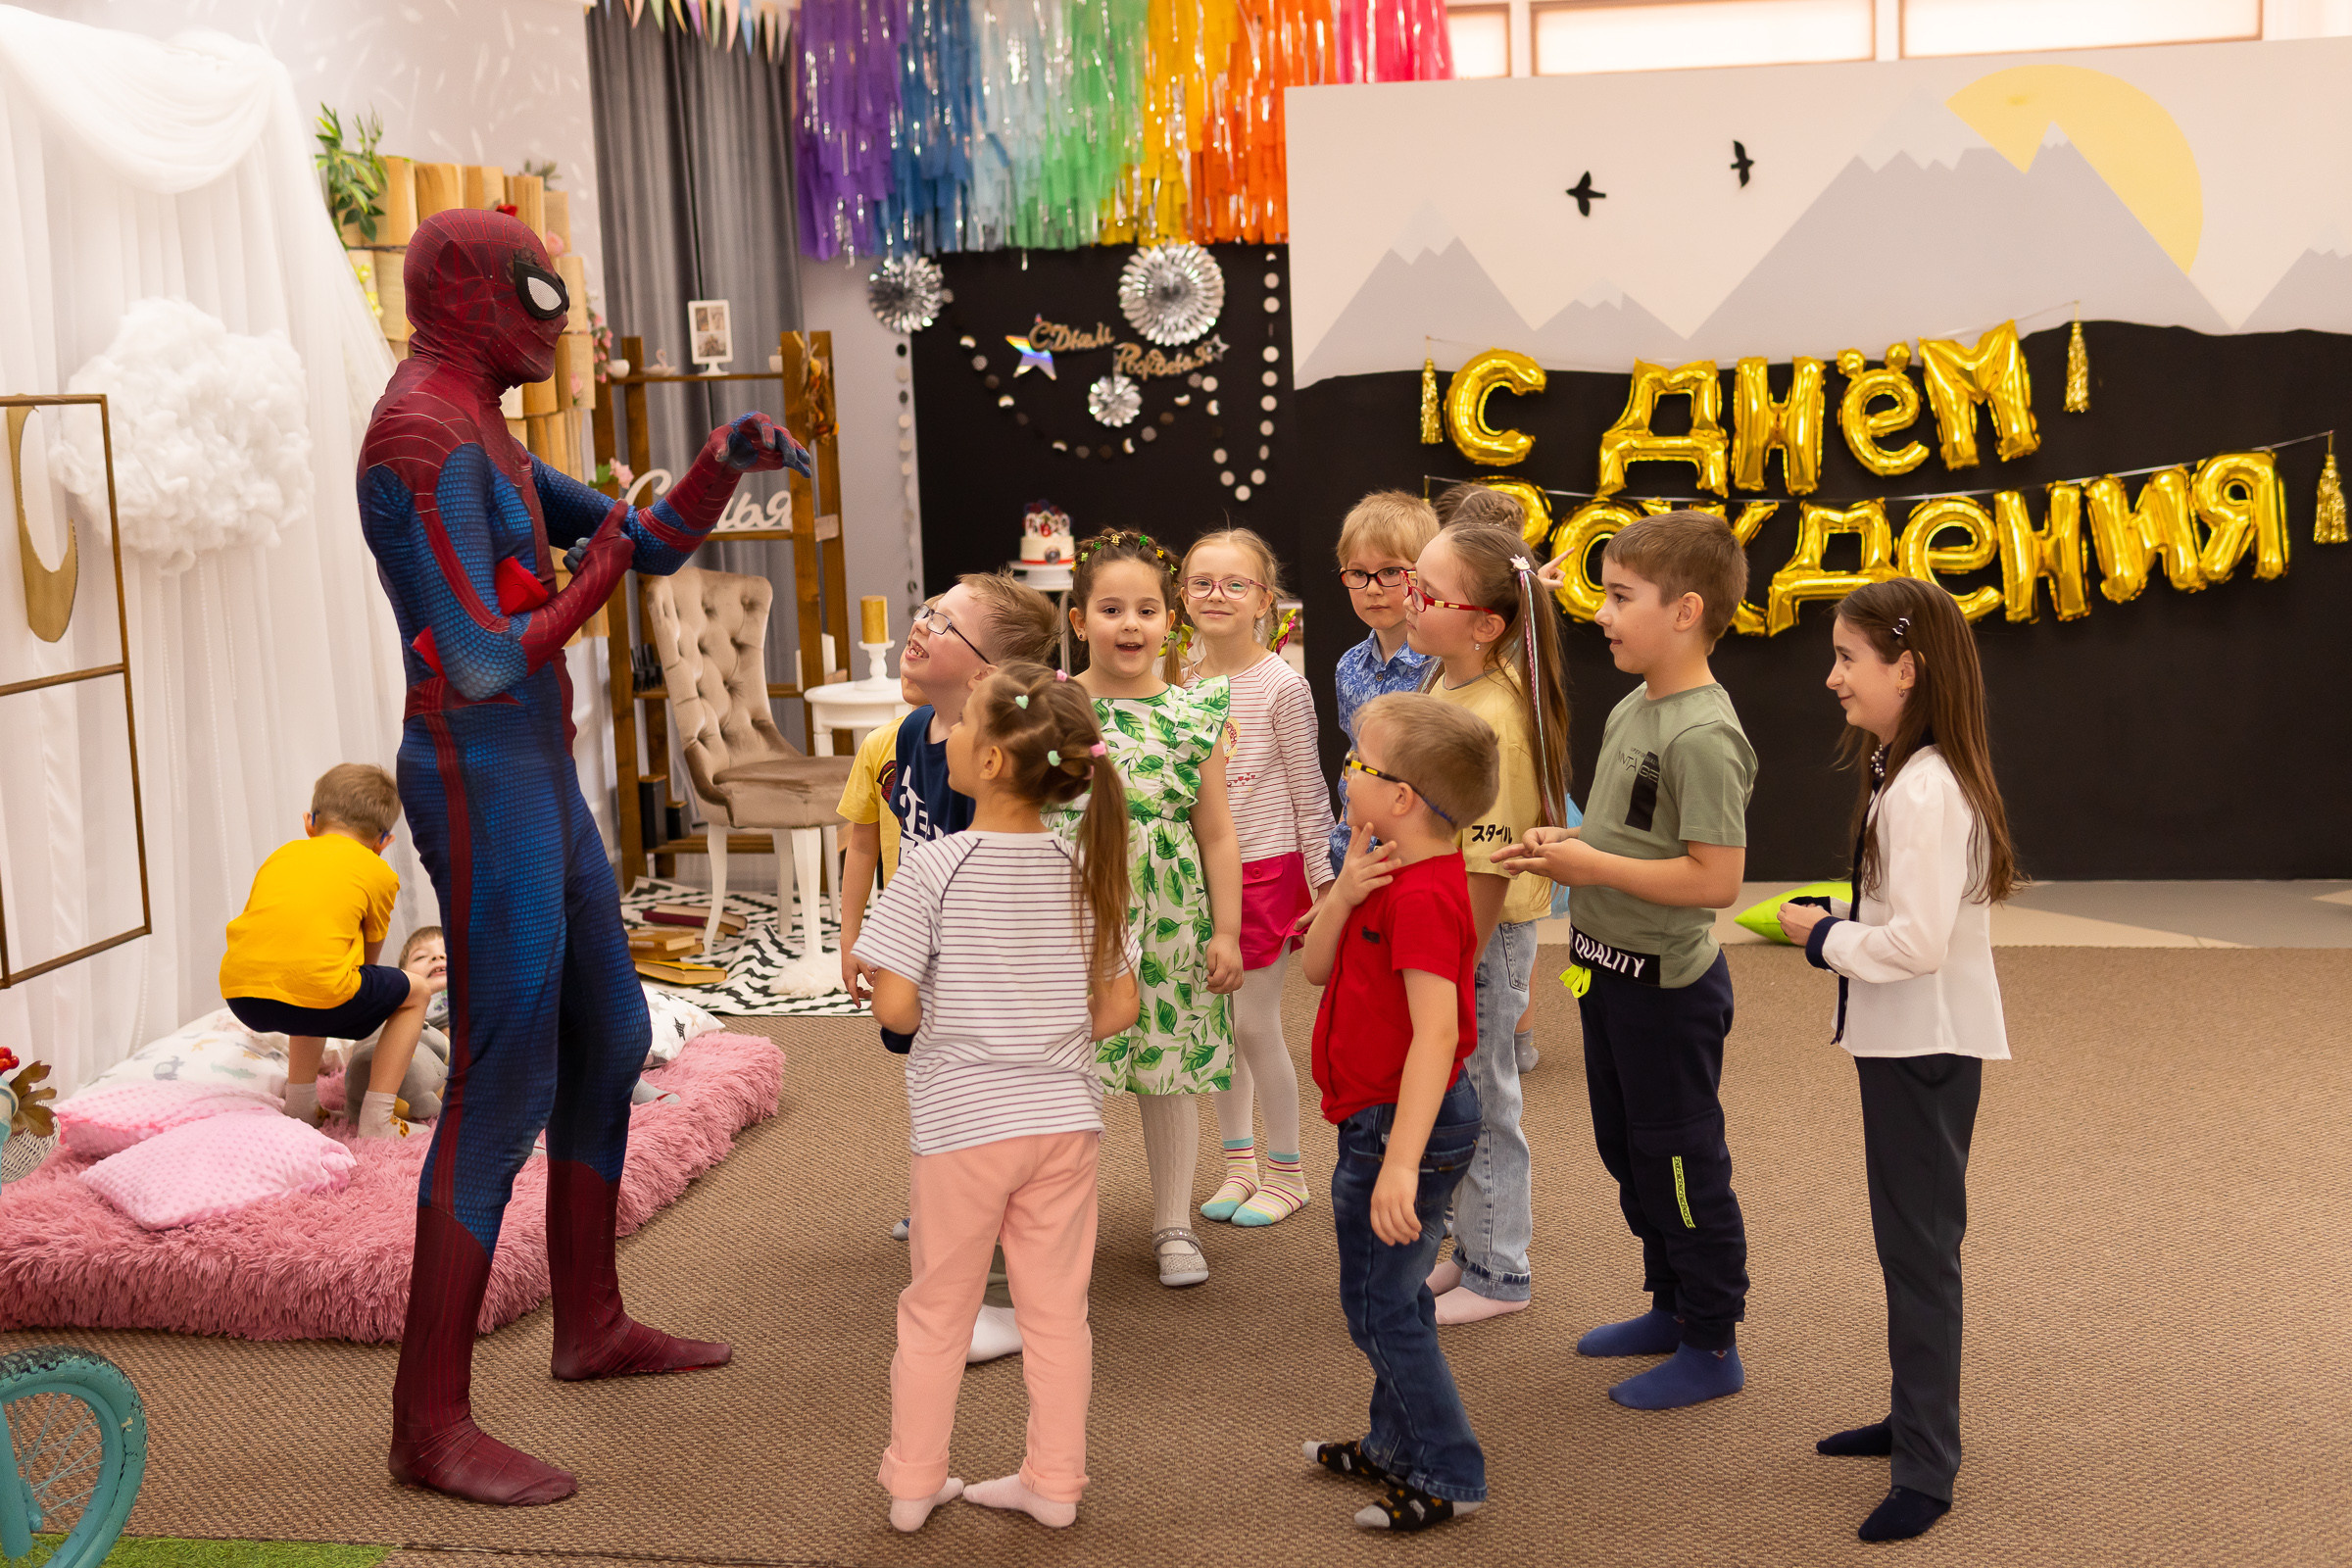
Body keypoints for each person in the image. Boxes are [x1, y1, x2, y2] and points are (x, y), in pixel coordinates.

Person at [360, 207, 808, 1505]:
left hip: (533, 771)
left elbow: (652, 538)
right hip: (479, 771)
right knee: (503, 1085)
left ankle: (590, 1323)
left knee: (608, 1042)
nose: (562, 316)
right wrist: (606, 556)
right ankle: (426, 1420)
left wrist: (720, 462)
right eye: (540, 288)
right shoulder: (420, 433)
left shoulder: (483, 419)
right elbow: (490, 651)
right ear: (467, 291)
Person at [856, 662, 1140, 1534]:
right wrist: (1043, 1040)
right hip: (1064, 1123)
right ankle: (1054, 1485)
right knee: (1057, 1314)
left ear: (983, 764)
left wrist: (927, 1008)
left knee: (937, 1309)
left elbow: (897, 1005)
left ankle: (914, 1485)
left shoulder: (934, 868)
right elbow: (1120, 1005)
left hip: (961, 1126)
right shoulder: (1083, 866)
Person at [1494, 510, 1755, 1411]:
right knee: (1628, 1152)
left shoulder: (1702, 734)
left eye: (1618, 596)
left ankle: (1713, 1342)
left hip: (1666, 992)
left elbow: (1716, 879)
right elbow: (1627, 836)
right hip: (1603, 971)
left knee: (1681, 1161)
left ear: (1685, 611)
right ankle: (1671, 1305)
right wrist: (1567, 840)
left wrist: (1588, 864)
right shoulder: (1632, 705)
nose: (1598, 612)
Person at [1774, 578, 2016, 1544]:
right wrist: (1841, 927)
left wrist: (1822, 938)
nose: (1833, 678)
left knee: (1919, 1255)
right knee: (1907, 1245)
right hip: (1906, 1040)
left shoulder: (1922, 788)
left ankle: (1926, 1464)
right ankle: (1913, 1414)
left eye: (1847, 658)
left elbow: (1915, 943)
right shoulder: (1905, 768)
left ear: (1905, 669)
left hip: (1926, 1046)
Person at [1300, 692, 1498, 1533]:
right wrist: (1343, 894)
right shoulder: (1383, 870)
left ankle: (1447, 1470)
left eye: (1358, 761)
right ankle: (1394, 1442)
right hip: (1375, 1121)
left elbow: (1437, 1036)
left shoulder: (1422, 898)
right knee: (1396, 1295)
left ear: (1403, 797)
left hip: (1402, 1128)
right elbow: (1312, 968)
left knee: (1380, 1309)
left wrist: (1402, 1163)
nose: (1345, 770)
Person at [876, 573, 1059, 1361]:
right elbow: (910, 851)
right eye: (926, 610)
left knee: (992, 1129)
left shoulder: (997, 767)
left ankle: (1006, 1299)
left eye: (944, 624)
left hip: (984, 979)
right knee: (943, 1112)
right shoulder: (917, 733)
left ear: (985, 673)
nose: (920, 628)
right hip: (929, 962)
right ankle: (957, 1231)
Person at [1057, 529, 1244, 1287]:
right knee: (1067, 1070)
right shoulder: (1056, 711)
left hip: (1172, 916)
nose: (1129, 625)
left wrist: (1227, 930)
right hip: (1075, 911)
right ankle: (1059, 1223)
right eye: (1109, 609)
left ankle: (1173, 1224)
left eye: (1146, 610)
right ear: (1078, 622)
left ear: (1172, 621)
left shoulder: (1194, 713)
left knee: (1169, 1070)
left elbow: (1219, 833)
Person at [1403, 522, 1569, 1326]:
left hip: (1479, 936)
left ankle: (1501, 1271)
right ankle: (1470, 1250)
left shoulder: (1494, 716)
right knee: (1453, 1098)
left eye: (1428, 595)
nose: (1410, 602)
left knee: (1484, 1100)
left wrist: (1449, 957)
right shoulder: (1450, 681)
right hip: (1449, 928)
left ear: (1486, 624)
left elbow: (1491, 863)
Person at [1179, 528, 1334, 1230]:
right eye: (1201, 582)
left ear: (1264, 601)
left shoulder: (1281, 685)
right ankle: (1238, 1163)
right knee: (1215, 1027)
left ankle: (1288, 1169)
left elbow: (1309, 792)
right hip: (1200, 872)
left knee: (1253, 1024)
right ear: (1181, 596)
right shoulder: (1182, 677)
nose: (1216, 595)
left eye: (1234, 584)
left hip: (1267, 871)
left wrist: (1325, 886)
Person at [220, 764, 433, 1142]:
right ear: (384, 841)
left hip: (242, 996)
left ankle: (300, 1105)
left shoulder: (279, 857)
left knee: (310, 978)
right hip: (314, 995)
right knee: (415, 991)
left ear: (310, 822)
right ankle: (378, 1119)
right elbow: (368, 961)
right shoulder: (378, 872)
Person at [1326, 491, 1439, 879]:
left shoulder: (1441, 665)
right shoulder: (1348, 666)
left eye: (1391, 572)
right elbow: (1353, 757)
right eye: (1358, 573)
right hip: (1352, 855)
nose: (1372, 588)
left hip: (1414, 861)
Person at [837, 663, 929, 1004]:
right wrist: (851, 939)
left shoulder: (984, 746)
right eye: (910, 648)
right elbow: (861, 847)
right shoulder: (878, 744)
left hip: (967, 929)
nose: (910, 658)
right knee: (902, 1029)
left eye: (927, 651)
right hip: (902, 926)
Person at [346, 925, 453, 1126]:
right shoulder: (403, 1004)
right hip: (413, 1048)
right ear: (403, 975)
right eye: (421, 957)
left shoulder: (468, 993)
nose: (437, 958)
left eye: (447, 954)